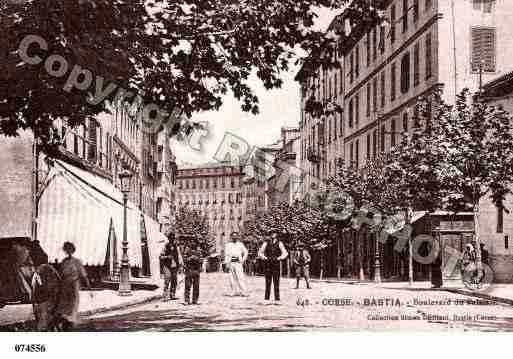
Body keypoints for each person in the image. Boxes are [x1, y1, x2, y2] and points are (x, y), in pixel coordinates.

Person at [55, 242, 92, 331]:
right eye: (67, 250)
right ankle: (66, 321)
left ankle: (68, 321)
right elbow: (60, 275)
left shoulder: (76, 262)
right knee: (66, 303)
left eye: (70, 250)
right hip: (65, 285)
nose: (68, 252)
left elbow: (83, 275)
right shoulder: (64, 262)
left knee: (72, 303)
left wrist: (89, 287)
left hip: (73, 285)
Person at [258, 231, 288, 303]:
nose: (273, 235)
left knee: (276, 281)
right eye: (271, 233)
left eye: (274, 233)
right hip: (268, 263)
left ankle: (277, 299)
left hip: (276, 263)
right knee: (268, 281)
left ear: (277, 234)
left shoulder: (280, 243)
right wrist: (264, 258)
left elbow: (285, 253)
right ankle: (266, 299)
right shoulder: (266, 243)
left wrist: (279, 258)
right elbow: (260, 252)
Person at [224, 232, 249, 296]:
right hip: (231, 263)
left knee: (240, 277)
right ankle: (233, 291)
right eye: (233, 236)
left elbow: (246, 252)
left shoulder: (240, 244)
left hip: (238, 263)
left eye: (236, 236)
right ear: (231, 237)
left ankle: (243, 291)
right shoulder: (228, 245)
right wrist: (227, 263)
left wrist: (243, 260)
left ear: (237, 237)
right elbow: (226, 254)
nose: (234, 237)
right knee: (231, 278)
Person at [160, 233, 183, 301]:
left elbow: (179, 256)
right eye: (171, 238)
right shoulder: (165, 246)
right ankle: (165, 295)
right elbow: (160, 256)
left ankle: (172, 294)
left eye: (173, 238)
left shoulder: (176, 246)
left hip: (174, 266)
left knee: (174, 280)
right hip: (167, 266)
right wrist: (167, 257)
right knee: (167, 279)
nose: (172, 240)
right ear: (169, 239)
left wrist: (181, 264)